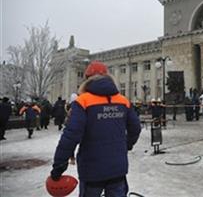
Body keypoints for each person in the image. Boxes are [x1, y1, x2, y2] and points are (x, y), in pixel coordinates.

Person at [50, 60, 141, 197]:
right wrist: (126, 145)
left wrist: (58, 167)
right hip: (118, 167)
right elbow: (135, 128)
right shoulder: (123, 100)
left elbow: (71, 136)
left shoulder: (83, 101)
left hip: (91, 169)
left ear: (86, 79)